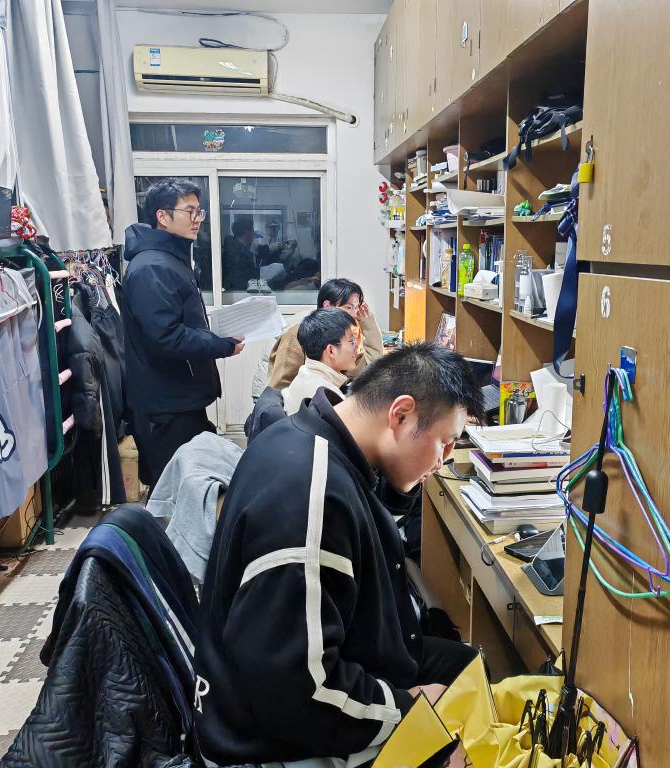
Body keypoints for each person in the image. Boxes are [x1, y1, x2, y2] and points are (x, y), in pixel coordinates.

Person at [195, 342, 483, 765]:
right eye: (445, 442)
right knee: (462, 739)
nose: (444, 460)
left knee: (468, 669)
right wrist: (409, 713)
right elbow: (296, 689)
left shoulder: (313, 437)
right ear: (401, 415)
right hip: (272, 737)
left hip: (319, 663)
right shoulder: (310, 498)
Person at [122, 179, 245, 487]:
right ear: (162, 217)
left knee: (190, 480)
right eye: (189, 211)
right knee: (172, 487)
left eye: (199, 211)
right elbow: (166, 336)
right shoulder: (151, 267)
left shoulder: (170, 258)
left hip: (179, 398)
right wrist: (220, 345)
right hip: (165, 403)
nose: (196, 219)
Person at [256, 278, 384, 395]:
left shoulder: (341, 334)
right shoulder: (298, 333)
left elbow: (371, 368)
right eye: (348, 307)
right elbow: (279, 388)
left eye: (356, 308)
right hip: (278, 401)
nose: (355, 315)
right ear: (327, 306)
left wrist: (369, 324)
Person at [281, 308, 359, 415]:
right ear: (331, 350)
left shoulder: (305, 373)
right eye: (351, 341)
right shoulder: (328, 396)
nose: (356, 346)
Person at [221, 215, 258, 291]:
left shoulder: (238, 249)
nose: (253, 233)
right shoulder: (237, 254)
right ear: (246, 231)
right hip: (238, 293)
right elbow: (241, 279)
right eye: (252, 230)